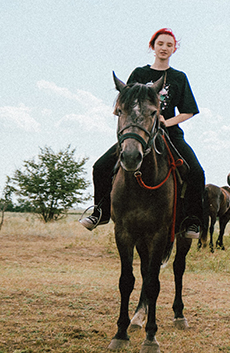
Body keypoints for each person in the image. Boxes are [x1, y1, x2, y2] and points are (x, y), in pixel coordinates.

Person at [80, 28, 205, 239]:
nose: (164, 48)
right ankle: (100, 212)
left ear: (174, 49)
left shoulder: (178, 77)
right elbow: (123, 102)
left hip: (169, 133)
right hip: (138, 132)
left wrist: (167, 121)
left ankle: (192, 220)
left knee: (196, 172)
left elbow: (189, 111)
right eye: (160, 44)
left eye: (169, 45)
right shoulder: (139, 73)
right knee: (100, 167)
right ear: (152, 47)